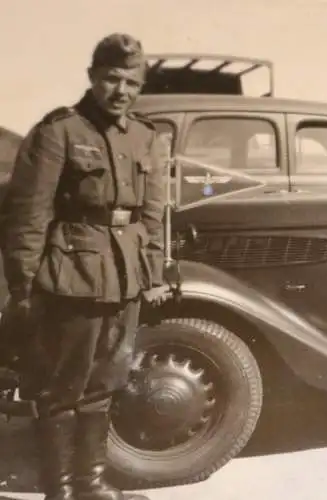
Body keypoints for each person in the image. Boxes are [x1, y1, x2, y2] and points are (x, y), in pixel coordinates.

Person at [1, 33, 167, 500]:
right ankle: (60, 491)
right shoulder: (59, 132)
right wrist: (24, 288)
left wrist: (151, 274)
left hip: (125, 276)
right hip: (70, 278)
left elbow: (152, 213)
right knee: (62, 390)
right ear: (93, 78)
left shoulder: (145, 136)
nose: (121, 91)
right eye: (112, 79)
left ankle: (89, 487)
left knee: (104, 385)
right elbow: (28, 215)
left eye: (131, 82)